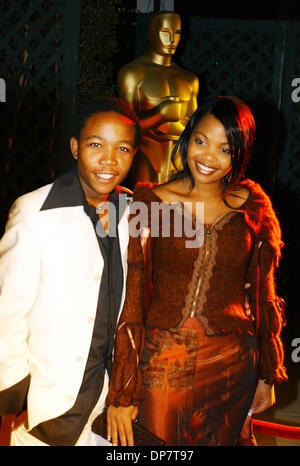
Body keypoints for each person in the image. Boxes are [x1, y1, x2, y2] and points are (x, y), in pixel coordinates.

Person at [106, 95, 288, 446]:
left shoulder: (254, 208)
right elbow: (134, 295)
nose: (208, 157)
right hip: (165, 358)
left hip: (233, 360)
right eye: (201, 141)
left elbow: (264, 295)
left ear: (240, 152)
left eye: (225, 148)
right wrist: (123, 389)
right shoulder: (152, 203)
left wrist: (266, 373)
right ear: (188, 138)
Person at [0, 97, 141, 446]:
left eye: (122, 148)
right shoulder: (35, 211)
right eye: (96, 145)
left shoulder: (133, 211)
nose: (109, 160)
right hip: (49, 408)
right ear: (75, 147)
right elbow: (7, 311)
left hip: (109, 408)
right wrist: (18, 395)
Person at [118, 11, 199, 185]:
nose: (172, 40)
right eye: (165, 32)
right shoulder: (133, 74)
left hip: (179, 159)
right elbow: (126, 128)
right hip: (146, 156)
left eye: (177, 33)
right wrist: (161, 114)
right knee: (147, 207)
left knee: (177, 210)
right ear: (152, 32)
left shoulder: (190, 79)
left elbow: (195, 128)